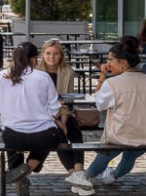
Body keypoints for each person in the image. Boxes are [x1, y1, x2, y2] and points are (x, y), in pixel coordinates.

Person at [86, 43, 146, 185]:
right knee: (130, 156)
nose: (107, 63)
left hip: (122, 136)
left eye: (110, 60)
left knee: (106, 155)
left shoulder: (112, 83)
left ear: (123, 62)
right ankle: (114, 176)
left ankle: (86, 177)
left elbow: (99, 104)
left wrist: (102, 76)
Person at [0, 42, 61, 196]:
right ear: (34, 59)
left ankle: (19, 176)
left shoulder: (2, 76)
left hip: (12, 137)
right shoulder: (43, 77)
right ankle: (27, 169)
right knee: (55, 136)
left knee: (13, 143)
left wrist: (7, 123)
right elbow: (55, 108)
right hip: (42, 137)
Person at [34, 39, 94, 195]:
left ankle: (79, 173)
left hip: (64, 112)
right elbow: (37, 102)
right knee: (59, 135)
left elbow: (68, 100)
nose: (51, 57)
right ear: (43, 54)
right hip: (44, 115)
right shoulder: (36, 72)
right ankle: (75, 175)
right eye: (48, 53)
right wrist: (57, 122)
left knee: (74, 131)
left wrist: (64, 121)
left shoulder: (68, 71)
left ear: (61, 56)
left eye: (55, 54)